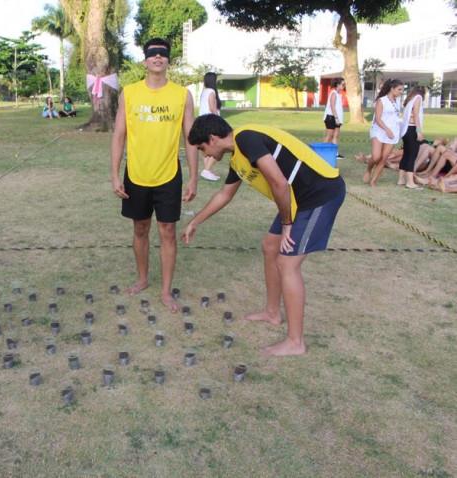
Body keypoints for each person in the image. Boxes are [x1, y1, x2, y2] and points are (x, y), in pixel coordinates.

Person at [182, 115, 345, 357]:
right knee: (270, 245)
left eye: (203, 147)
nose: (205, 154)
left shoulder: (247, 139)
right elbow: (224, 195)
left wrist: (287, 223)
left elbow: (280, 183)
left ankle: (295, 342)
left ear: (213, 139)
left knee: (287, 262)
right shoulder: (238, 157)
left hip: (319, 194)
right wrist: (195, 221)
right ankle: (272, 313)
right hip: (297, 200)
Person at [111, 37, 198, 313]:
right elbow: (119, 134)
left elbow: (191, 138)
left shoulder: (182, 95)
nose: (157, 58)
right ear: (145, 60)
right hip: (136, 174)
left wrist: (195, 176)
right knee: (140, 228)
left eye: (162, 54)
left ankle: (166, 290)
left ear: (168, 59)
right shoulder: (129, 93)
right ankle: (142, 279)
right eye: (152, 54)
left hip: (169, 174)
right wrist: (115, 174)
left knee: (168, 231)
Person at [364, 79, 404, 186]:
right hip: (379, 130)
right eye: (399, 89)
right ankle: (368, 169)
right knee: (376, 156)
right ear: (392, 89)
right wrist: (387, 129)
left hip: (392, 133)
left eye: (402, 90)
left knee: (384, 158)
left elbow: (396, 117)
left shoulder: (397, 102)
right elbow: (377, 118)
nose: (401, 92)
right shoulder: (382, 100)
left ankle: (373, 181)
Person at [398, 86, 426, 189]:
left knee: (406, 155)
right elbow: (416, 114)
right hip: (412, 129)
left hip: (406, 131)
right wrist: (419, 131)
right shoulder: (418, 98)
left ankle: (401, 179)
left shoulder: (410, 100)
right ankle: (410, 182)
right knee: (412, 156)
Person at [199, 72, 222, 182]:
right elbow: (212, 108)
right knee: (219, 148)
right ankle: (206, 171)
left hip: (202, 122)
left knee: (207, 147)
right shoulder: (212, 91)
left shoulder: (204, 91)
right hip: (211, 122)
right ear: (213, 80)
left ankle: (207, 171)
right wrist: (220, 122)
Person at [322, 77, 345, 159]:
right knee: (329, 136)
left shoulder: (339, 94)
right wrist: (336, 118)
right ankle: (321, 152)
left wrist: (338, 119)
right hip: (331, 118)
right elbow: (332, 106)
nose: (343, 86)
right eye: (342, 84)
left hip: (337, 118)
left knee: (336, 136)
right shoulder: (333, 93)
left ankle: (335, 154)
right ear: (337, 85)